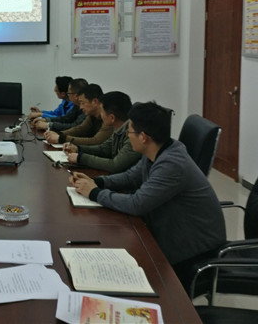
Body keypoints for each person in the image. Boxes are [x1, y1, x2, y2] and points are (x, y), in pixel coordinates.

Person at [69, 101, 226, 288]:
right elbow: (131, 176)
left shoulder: (172, 164)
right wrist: (97, 182)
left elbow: (137, 204)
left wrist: (94, 193)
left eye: (129, 132)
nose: (127, 136)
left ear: (143, 137)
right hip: (170, 232)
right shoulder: (159, 149)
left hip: (194, 251)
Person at [64, 91, 141, 173]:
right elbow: (103, 149)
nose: (100, 115)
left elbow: (115, 165)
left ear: (112, 118)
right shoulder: (118, 129)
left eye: (101, 111)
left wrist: (80, 158)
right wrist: (78, 148)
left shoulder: (133, 135)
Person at [44, 84, 113, 145]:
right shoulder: (92, 115)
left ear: (94, 101)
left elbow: (96, 141)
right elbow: (80, 129)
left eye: (82, 103)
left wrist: (62, 138)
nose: (81, 107)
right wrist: (59, 134)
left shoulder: (108, 116)